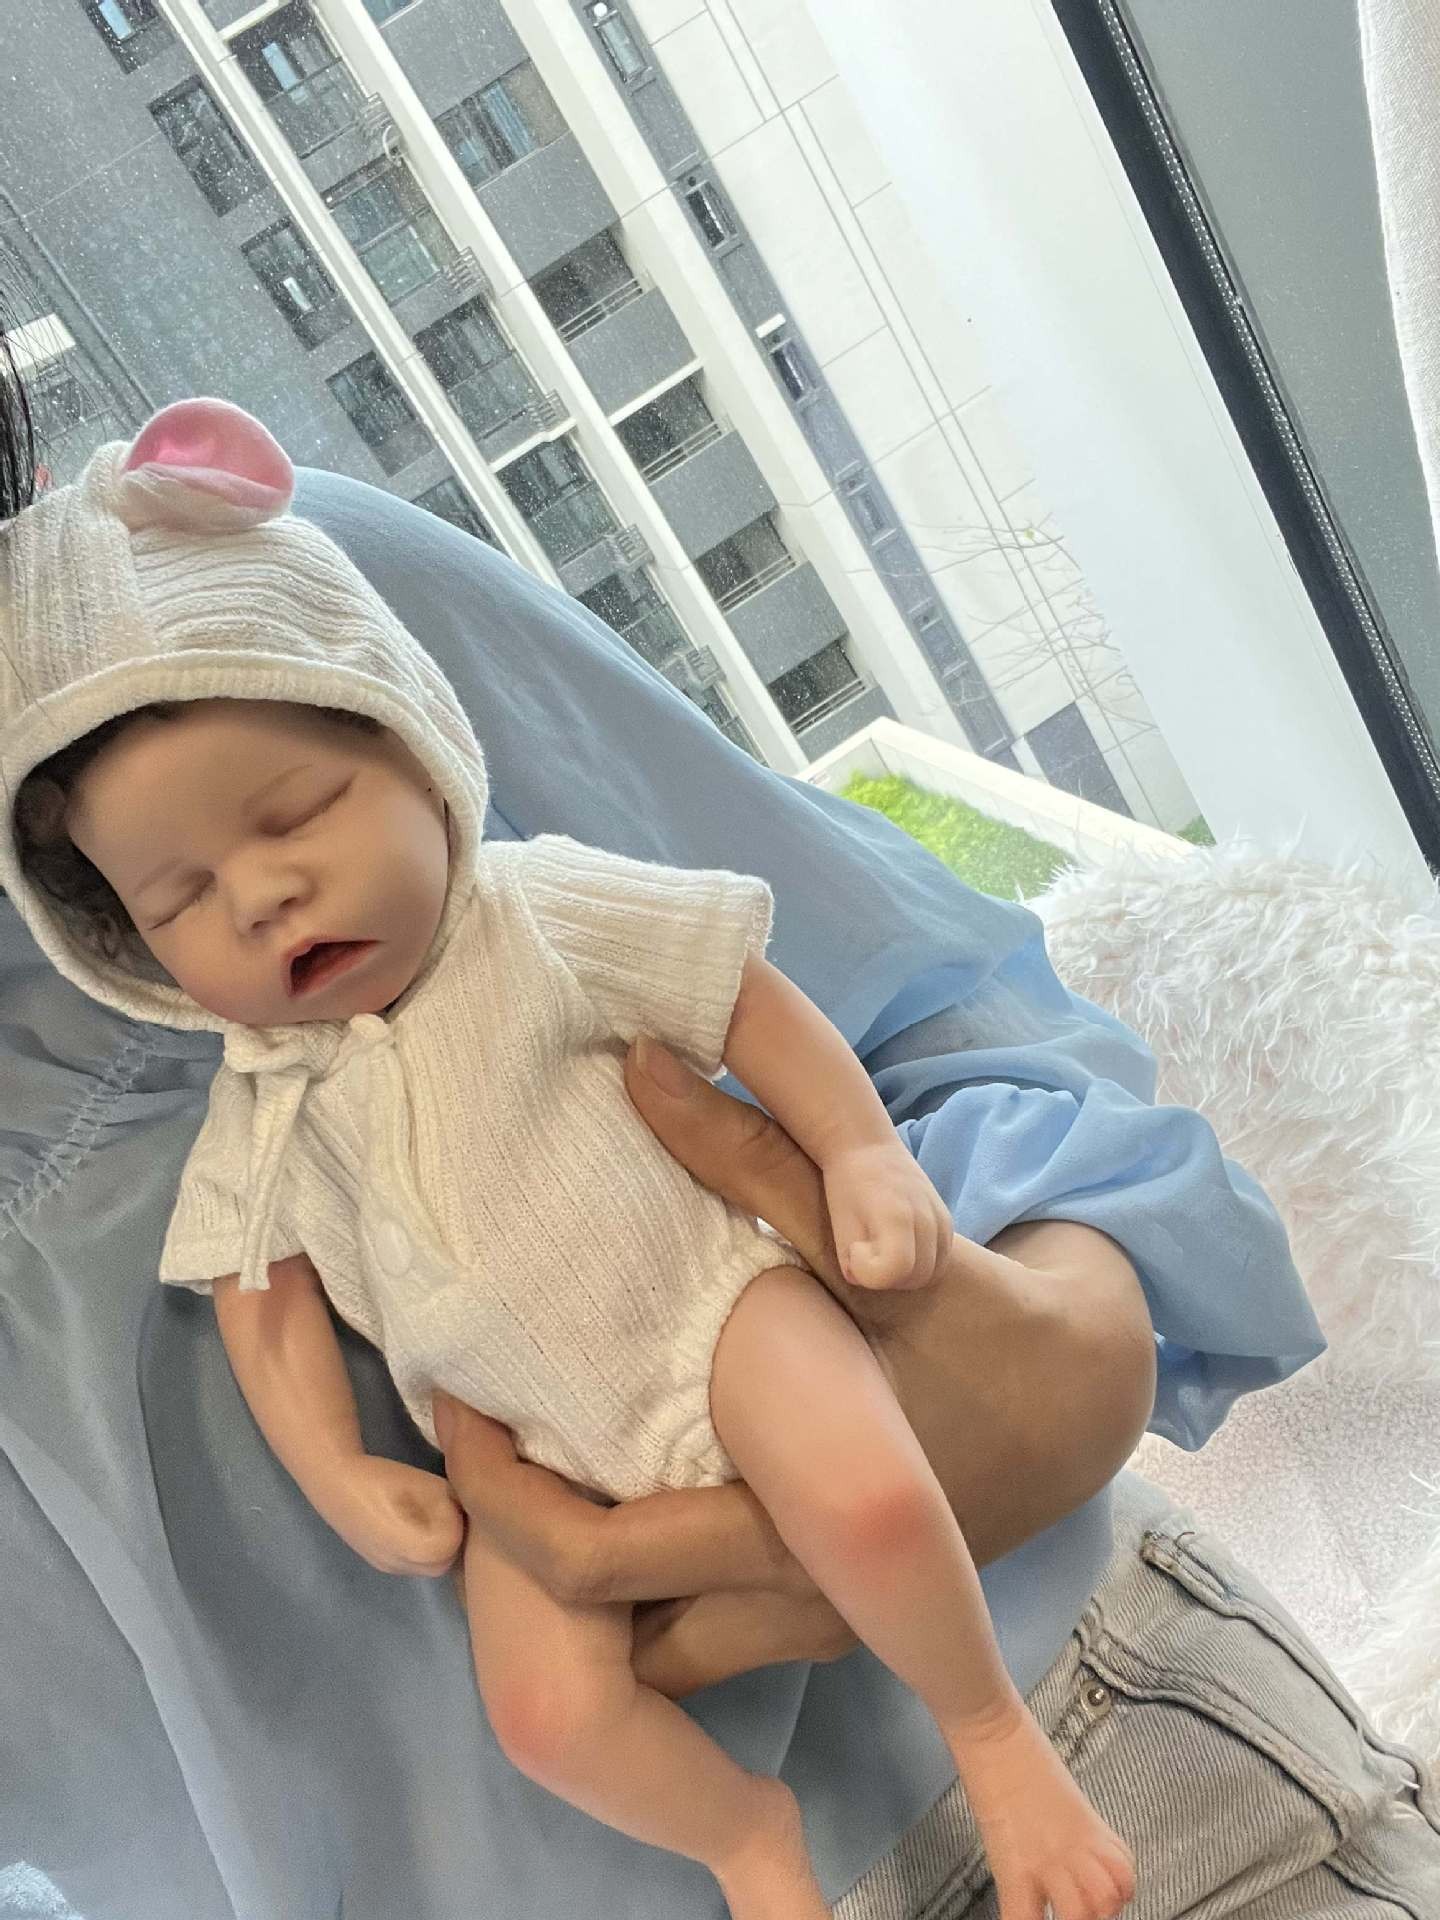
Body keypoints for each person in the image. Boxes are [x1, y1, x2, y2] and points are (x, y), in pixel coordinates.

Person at [1, 338, 1436, 1920]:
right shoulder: (273, 1094)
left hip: (735, 1345)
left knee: (869, 1494)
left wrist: (965, 1257)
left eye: (293, 819)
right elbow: (258, 1287)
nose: (263, 896)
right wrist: (344, 1476)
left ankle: (994, 1740)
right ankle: (745, 1838)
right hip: (533, 1448)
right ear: (116, 931)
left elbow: (793, 992)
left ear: (409, 745)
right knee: (548, 1712)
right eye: (180, 900)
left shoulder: (368, 741)